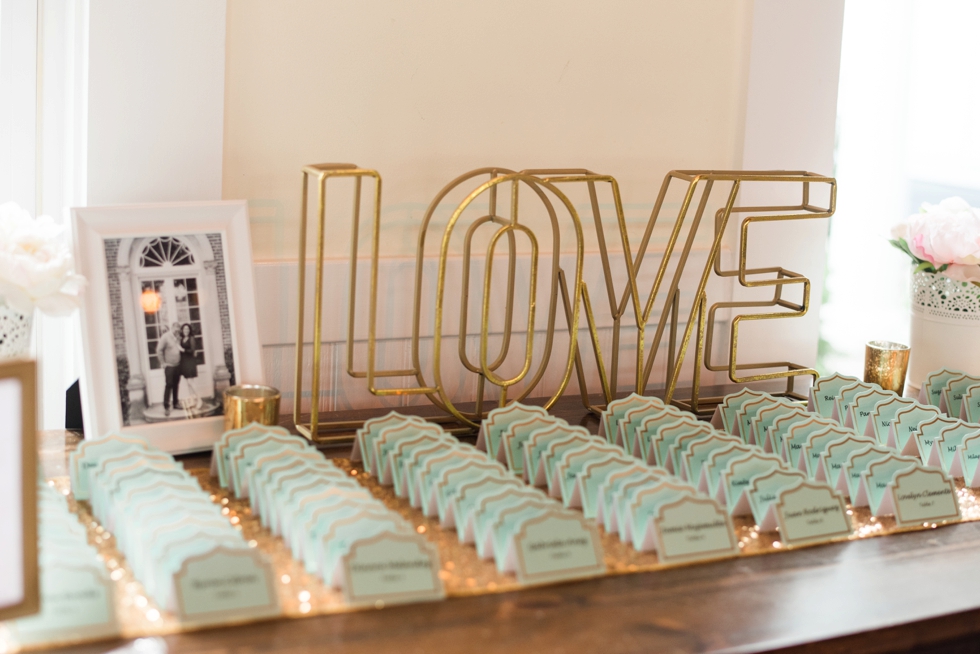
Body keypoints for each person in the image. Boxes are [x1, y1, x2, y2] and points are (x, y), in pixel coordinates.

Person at [156, 322, 182, 417]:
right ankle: (166, 407)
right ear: (172, 328)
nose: (177, 332)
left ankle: (175, 403)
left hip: (177, 365)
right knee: (169, 385)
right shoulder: (165, 337)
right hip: (169, 366)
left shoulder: (178, 337)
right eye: (175, 330)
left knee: (176, 385)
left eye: (178, 330)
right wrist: (163, 363)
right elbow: (159, 350)